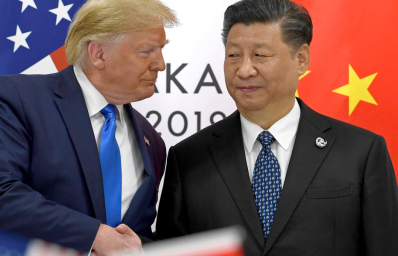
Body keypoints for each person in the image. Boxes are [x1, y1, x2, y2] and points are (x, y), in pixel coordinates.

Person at [156, 0, 398, 255]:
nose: (244, 69)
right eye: (234, 55)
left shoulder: (361, 152)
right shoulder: (189, 158)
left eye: (260, 55)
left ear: (301, 59)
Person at [0, 0, 177, 255]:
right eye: (146, 51)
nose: (160, 64)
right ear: (98, 54)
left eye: (161, 49)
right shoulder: (18, 99)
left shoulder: (152, 140)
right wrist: (94, 236)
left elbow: (135, 237)